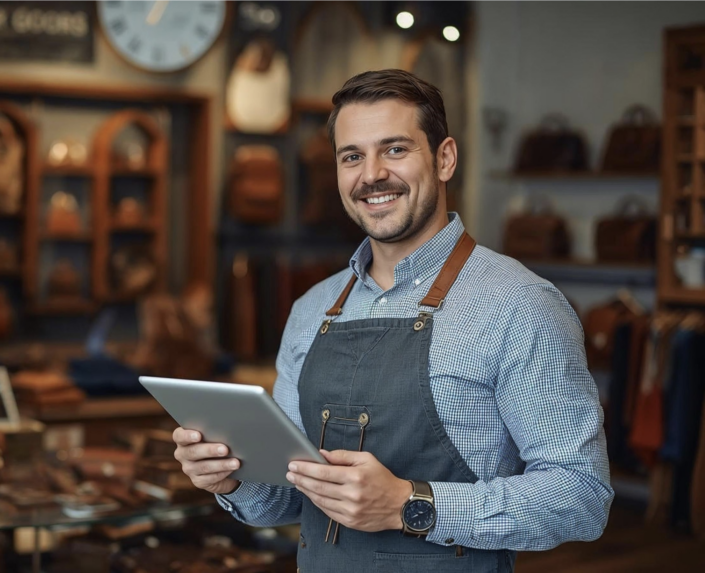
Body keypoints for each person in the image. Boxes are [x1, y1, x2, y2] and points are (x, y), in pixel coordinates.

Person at [172, 69, 613, 572]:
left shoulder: (520, 304)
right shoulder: (311, 309)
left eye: (395, 149)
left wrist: (409, 504)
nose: (372, 175)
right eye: (352, 156)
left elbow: (581, 497)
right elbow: (290, 498)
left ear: (444, 159)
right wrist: (232, 478)